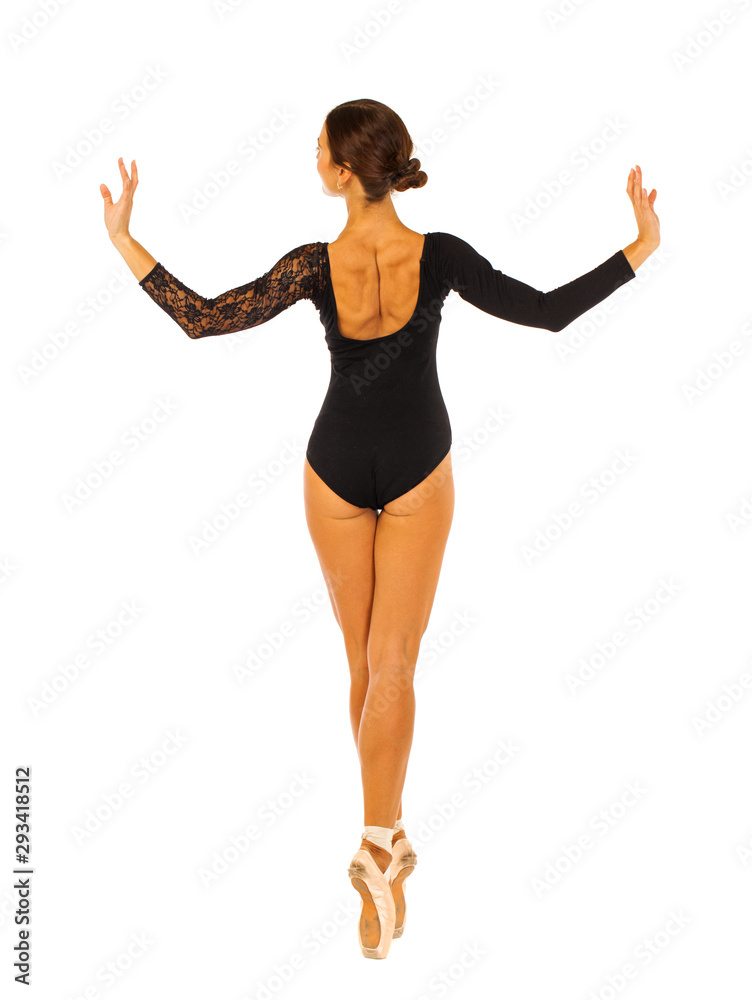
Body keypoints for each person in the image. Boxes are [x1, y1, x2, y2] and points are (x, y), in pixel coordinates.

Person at [100, 97, 660, 960]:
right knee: (390, 666)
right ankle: (381, 850)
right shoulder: (438, 256)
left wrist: (124, 241)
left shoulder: (313, 264)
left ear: (342, 171)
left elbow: (204, 316)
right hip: (416, 470)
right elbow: (547, 311)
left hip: (333, 470)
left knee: (366, 668)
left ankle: (380, 845)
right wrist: (639, 249)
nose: (312, 159)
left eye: (317, 149)